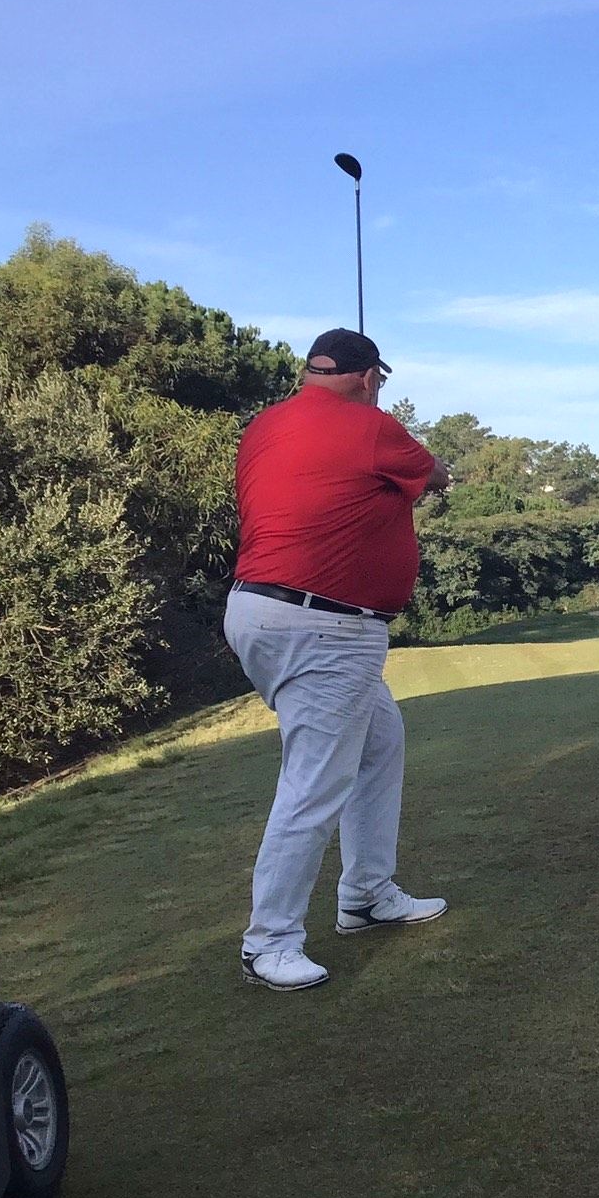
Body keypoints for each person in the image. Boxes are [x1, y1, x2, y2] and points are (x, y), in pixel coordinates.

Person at [224, 328, 452, 991]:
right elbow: (434, 474)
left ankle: (366, 893)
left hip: (260, 613)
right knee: (316, 781)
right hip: (325, 624)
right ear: (367, 376)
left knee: (379, 742)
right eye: (378, 380)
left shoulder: (265, 425)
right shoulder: (371, 425)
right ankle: (268, 942)